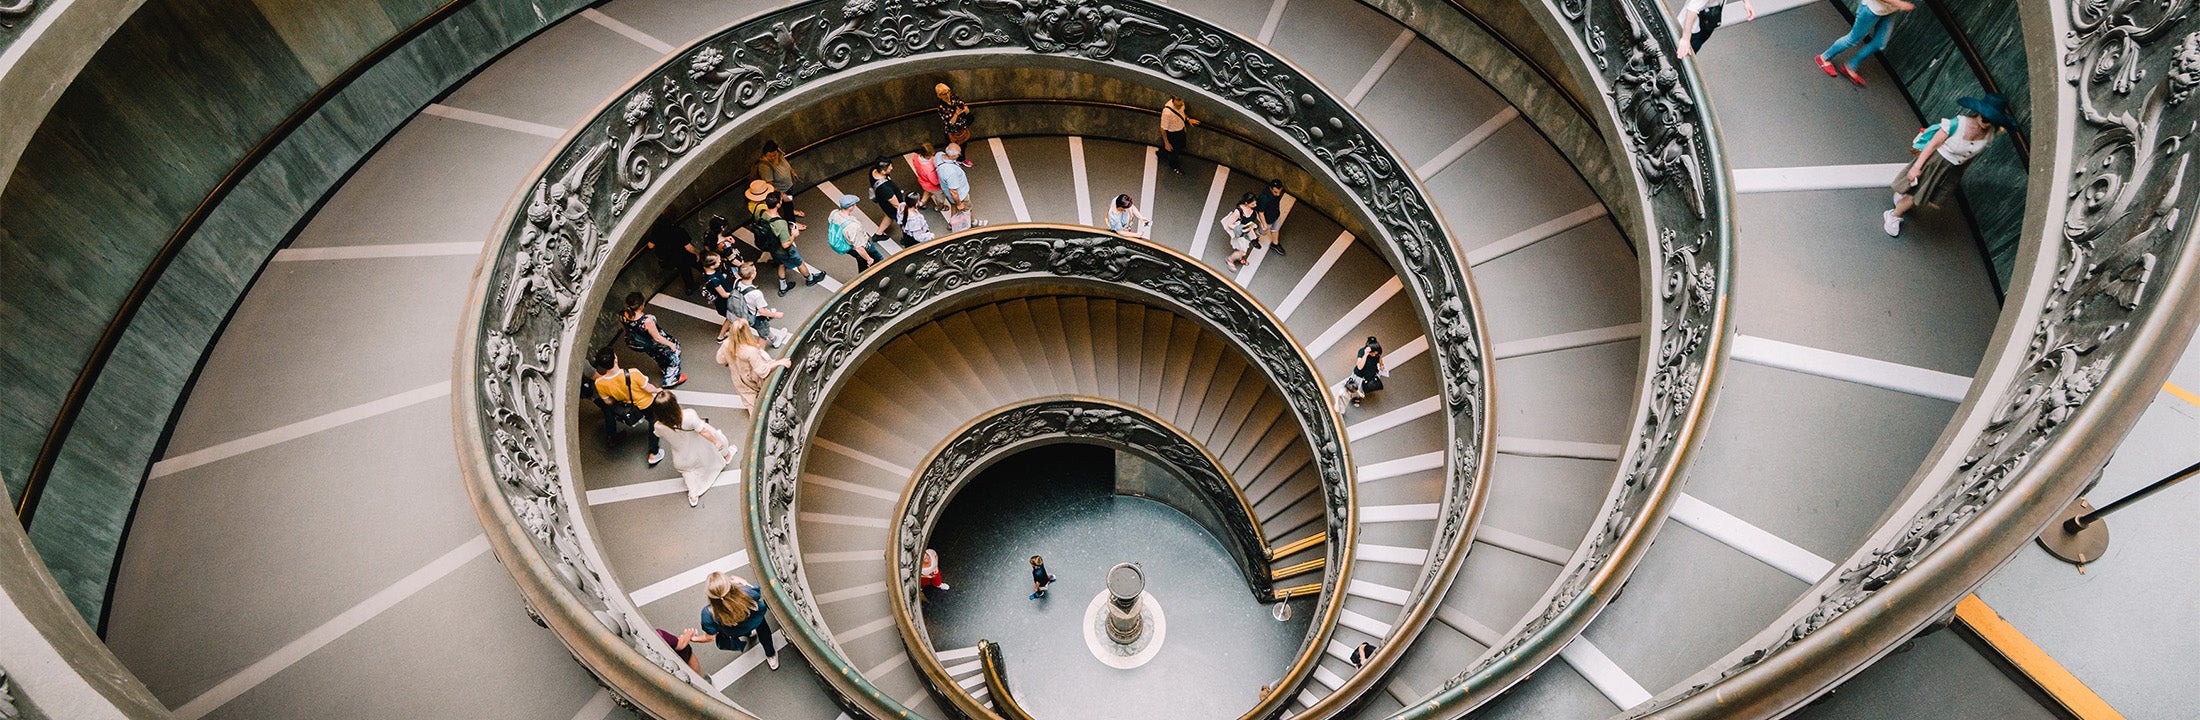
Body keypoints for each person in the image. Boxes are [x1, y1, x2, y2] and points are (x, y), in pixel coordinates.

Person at [1887, 94, 2012, 237]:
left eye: (1991, 119)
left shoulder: (1989, 135)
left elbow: (1971, 156)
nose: (1985, 120)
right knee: (1918, 195)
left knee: (1926, 195)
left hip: (1953, 169)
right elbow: (1932, 145)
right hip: (1936, 162)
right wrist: (1917, 167)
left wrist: (1959, 174)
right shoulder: (1957, 124)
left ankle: (1903, 196)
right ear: (1978, 112)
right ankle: (1894, 214)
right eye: (1984, 115)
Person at [650, 390, 733, 507]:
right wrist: (716, 442)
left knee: (688, 472)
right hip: (698, 446)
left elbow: (658, 434)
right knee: (718, 438)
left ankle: (693, 494)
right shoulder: (688, 415)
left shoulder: (658, 426)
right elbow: (704, 432)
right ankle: (727, 455)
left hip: (682, 456)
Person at [1815, 0, 1916, 87]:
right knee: (1853, 39)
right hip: (1871, 9)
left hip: (1889, 10)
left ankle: (1850, 66)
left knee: (1879, 43)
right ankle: (1823, 57)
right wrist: (1900, 4)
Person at [590, 349, 664, 465]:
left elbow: (608, 402)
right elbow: (648, 388)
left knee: (651, 419)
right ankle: (653, 453)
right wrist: (658, 390)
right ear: (615, 359)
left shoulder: (599, 383)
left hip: (630, 407)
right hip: (646, 403)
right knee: (654, 421)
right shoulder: (633, 373)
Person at [695, 572, 780, 670]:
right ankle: (771, 655)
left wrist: (695, 639)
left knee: (742, 629)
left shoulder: (708, 614)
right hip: (755, 620)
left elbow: (710, 637)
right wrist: (742, 581)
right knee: (764, 634)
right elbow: (757, 593)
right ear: (729, 585)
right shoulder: (745, 593)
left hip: (735, 631)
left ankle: (749, 634)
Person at [753, 193, 827, 296]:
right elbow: (785, 244)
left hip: (772, 248)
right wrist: (794, 235)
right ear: (778, 204)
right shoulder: (780, 224)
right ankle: (810, 279)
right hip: (784, 250)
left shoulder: (761, 214)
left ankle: (783, 287)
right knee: (800, 263)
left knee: (781, 264)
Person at [717, 317, 790, 413]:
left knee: (751, 405)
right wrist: (779, 362)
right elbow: (762, 370)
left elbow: (720, 360)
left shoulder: (726, 344)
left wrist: (730, 362)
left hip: (738, 379)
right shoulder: (750, 351)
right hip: (752, 378)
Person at [622, 292, 685, 388]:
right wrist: (671, 344)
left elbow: (626, 329)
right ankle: (671, 379)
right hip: (655, 343)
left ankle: (664, 369)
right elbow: (657, 338)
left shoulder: (624, 315)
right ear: (641, 305)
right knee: (674, 354)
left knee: (658, 357)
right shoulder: (647, 320)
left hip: (645, 344)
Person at [732, 264, 792, 347]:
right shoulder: (756, 294)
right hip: (756, 317)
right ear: (752, 275)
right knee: (763, 335)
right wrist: (776, 315)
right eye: (755, 270)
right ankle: (761, 355)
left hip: (744, 313)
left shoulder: (737, 282)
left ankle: (774, 338)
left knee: (764, 329)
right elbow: (762, 311)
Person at [1674, 0, 1756, 59]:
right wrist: (1685, 39)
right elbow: (1691, 10)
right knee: (1684, 55)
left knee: (1692, 50)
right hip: (1691, 29)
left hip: (1706, 21)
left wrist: (1747, 3)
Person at [645, 212, 700, 294]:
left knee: (684, 271)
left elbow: (650, 245)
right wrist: (697, 253)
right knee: (692, 264)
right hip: (681, 254)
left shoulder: (656, 228)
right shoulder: (679, 231)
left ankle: (690, 288)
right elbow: (689, 247)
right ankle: (704, 272)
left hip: (669, 257)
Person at [827, 194, 880, 271]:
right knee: (879, 260)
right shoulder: (853, 226)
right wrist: (869, 259)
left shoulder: (834, 213)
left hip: (847, 247)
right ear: (851, 207)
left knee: (862, 263)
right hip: (860, 248)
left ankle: (862, 277)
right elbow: (859, 248)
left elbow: (831, 222)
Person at [934, 143, 974, 230]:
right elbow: (954, 192)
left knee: (953, 206)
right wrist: (959, 203)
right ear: (954, 156)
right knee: (967, 209)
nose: (959, 155)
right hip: (961, 195)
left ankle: (952, 224)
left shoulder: (939, 155)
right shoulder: (950, 172)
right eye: (958, 154)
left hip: (948, 193)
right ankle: (971, 224)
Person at [700, 254, 738, 342]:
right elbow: (723, 294)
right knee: (730, 317)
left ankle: (722, 336)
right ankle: (720, 336)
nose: (720, 261)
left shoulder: (708, 272)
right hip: (724, 301)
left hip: (723, 300)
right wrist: (737, 294)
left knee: (731, 317)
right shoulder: (714, 280)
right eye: (718, 261)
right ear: (712, 265)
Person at [1221, 192, 1260, 272]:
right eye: (1253, 204)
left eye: (1255, 203)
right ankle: (1230, 259)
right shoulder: (1238, 211)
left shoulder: (1253, 208)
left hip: (1248, 230)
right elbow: (1230, 224)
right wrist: (1242, 229)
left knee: (1245, 246)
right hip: (1241, 233)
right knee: (1242, 251)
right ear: (1246, 203)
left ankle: (1239, 257)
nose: (1255, 205)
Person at [1159, 97, 1198, 175]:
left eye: (1182, 100)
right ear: (1173, 100)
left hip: (1181, 131)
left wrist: (1188, 119)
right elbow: (1163, 129)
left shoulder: (1182, 105)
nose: (1181, 103)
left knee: (1181, 146)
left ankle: (1163, 153)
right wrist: (1166, 142)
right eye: (1178, 100)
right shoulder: (1167, 112)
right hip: (1172, 134)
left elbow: (1182, 113)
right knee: (1175, 152)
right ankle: (1174, 166)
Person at [868, 157, 905, 237]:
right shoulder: (885, 189)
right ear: (882, 171)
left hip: (884, 202)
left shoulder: (873, 170)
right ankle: (906, 238)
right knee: (903, 221)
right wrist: (904, 209)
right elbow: (896, 205)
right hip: (891, 204)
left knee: (889, 215)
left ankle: (878, 234)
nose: (892, 168)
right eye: (889, 167)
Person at [1254, 179, 1287, 256]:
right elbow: (1261, 212)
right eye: (1275, 192)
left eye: (1279, 191)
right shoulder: (1264, 198)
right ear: (1271, 188)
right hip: (1267, 218)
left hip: (1275, 215)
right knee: (1261, 231)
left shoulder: (1275, 194)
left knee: (1275, 229)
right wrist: (1264, 224)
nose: (1278, 194)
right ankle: (1254, 237)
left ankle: (1275, 244)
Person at [936, 83, 973, 149]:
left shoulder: (954, 97)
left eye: (948, 92)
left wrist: (964, 110)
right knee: (955, 150)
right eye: (944, 94)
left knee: (964, 146)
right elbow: (950, 123)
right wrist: (956, 114)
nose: (947, 95)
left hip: (962, 127)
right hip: (953, 132)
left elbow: (963, 107)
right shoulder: (941, 107)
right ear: (940, 95)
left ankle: (962, 159)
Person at [1352, 337, 1386, 407]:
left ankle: (1362, 392)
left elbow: (1380, 359)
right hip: (1361, 375)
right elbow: (1359, 367)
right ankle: (1357, 397)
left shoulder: (1377, 354)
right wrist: (1366, 354)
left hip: (1371, 373)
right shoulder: (1362, 352)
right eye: (1372, 353)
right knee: (1358, 387)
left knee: (1366, 387)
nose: (1374, 355)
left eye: (1375, 353)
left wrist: (1382, 365)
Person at [910, 142, 945, 210]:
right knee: (940, 198)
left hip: (923, 181)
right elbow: (935, 182)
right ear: (927, 155)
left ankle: (921, 203)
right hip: (934, 187)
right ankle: (939, 207)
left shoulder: (915, 157)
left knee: (927, 191)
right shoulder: (929, 168)